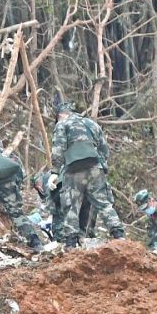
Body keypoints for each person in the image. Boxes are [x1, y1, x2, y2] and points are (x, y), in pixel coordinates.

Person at [49, 102, 125, 246]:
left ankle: (71, 243)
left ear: (60, 115)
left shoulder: (62, 124)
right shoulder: (92, 124)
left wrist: (55, 171)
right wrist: (100, 166)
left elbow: (58, 148)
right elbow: (104, 150)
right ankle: (119, 235)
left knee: (71, 205)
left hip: (74, 169)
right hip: (95, 167)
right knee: (103, 203)